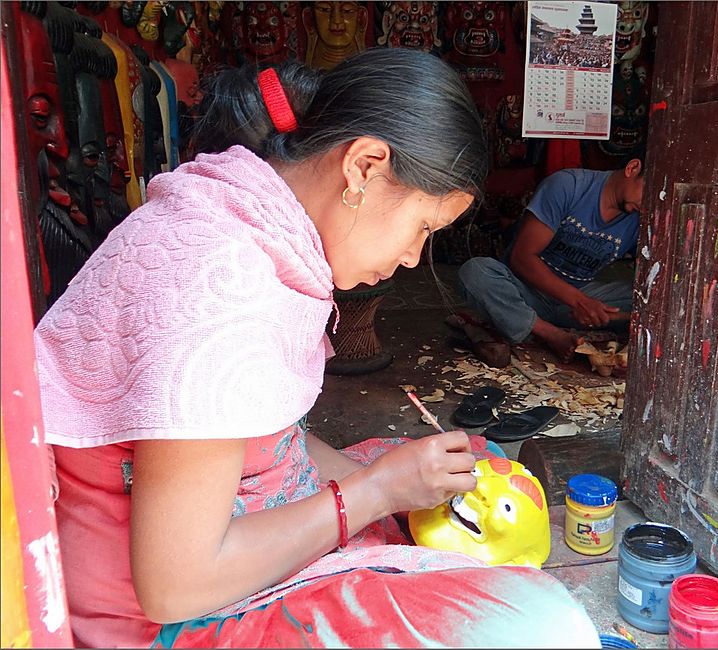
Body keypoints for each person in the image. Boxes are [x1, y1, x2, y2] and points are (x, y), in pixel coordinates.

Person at [34, 49, 601, 648]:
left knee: (466, 463)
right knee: (540, 628)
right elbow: (176, 586)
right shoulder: (221, 290)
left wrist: (389, 487)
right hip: (173, 617)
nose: (413, 257)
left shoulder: (248, 222)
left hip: (219, 521)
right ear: (363, 167)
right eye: (423, 228)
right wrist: (375, 492)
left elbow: (261, 433)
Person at [458, 159, 645, 362]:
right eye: (648, 191)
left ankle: (524, 324)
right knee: (475, 272)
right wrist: (580, 301)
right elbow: (522, 258)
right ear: (632, 168)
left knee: (648, 299)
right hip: (526, 294)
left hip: (575, 306)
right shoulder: (568, 186)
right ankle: (550, 334)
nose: (647, 205)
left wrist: (599, 310)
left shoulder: (640, 218)